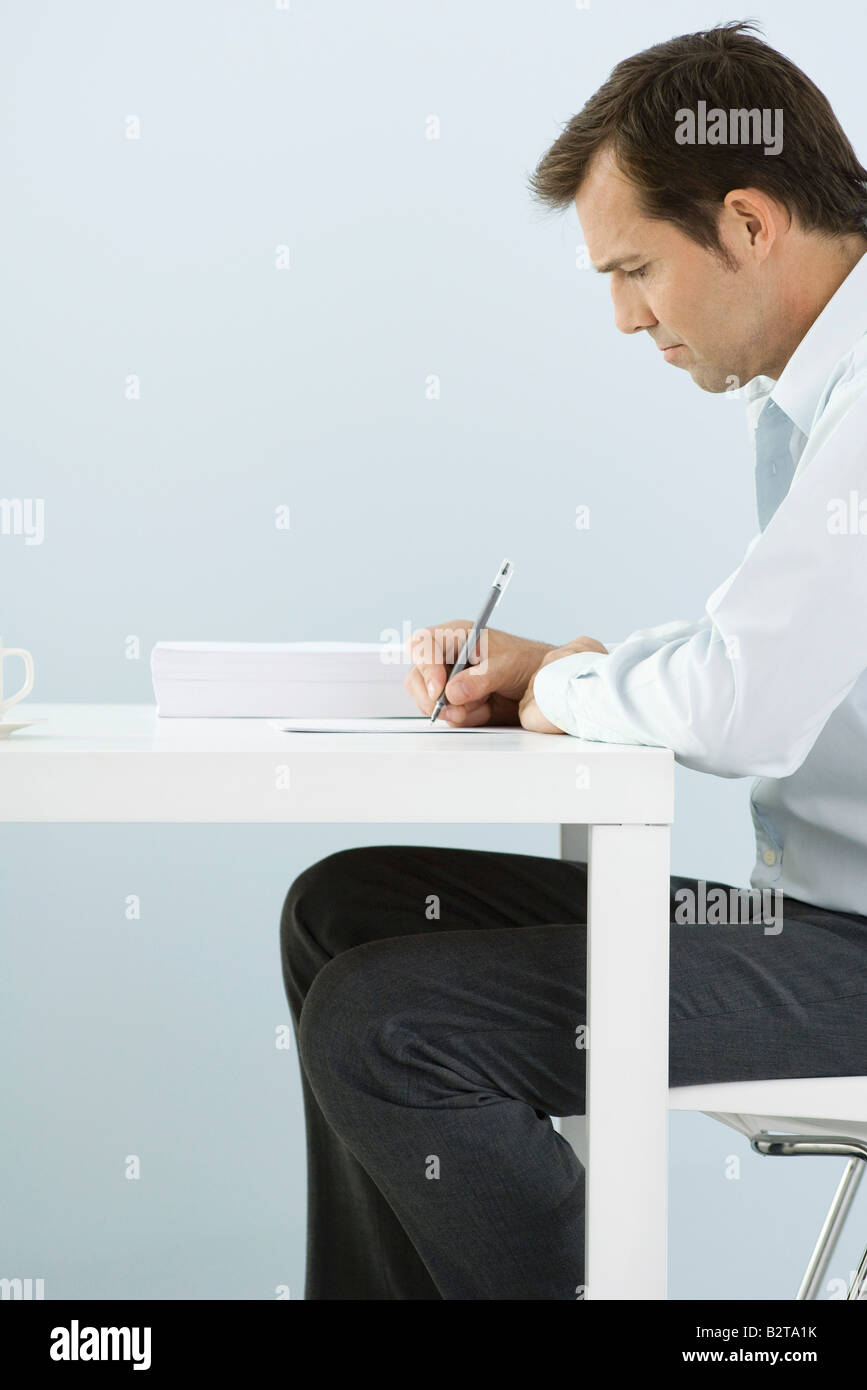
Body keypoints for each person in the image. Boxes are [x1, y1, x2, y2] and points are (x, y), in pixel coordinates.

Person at [280, 21, 867, 1300]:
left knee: (389, 1028)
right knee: (347, 912)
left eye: (636, 267)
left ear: (752, 221)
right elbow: (761, 660)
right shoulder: (815, 401)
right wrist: (570, 672)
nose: (622, 317)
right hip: (819, 920)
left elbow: (743, 706)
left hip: (855, 952)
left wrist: (559, 688)